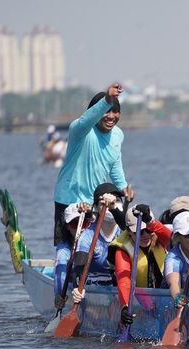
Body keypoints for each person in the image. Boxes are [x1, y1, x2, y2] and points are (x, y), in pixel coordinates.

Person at [52, 82, 135, 246]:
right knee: (68, 249)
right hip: (69, 199)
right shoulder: (80, 130)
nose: (111, 116)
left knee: (93, 247)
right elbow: (87, 119)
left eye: (115, 111)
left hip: (95, 203)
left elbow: (115, 163)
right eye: (106, 111)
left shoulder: (118, 135)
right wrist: (107, 99)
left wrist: (123, 187)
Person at [107, 205, 172, 325]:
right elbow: (124, 280)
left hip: (163, 295)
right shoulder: (122, 249)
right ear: (129, 232)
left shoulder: (158, 236)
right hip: (137, 297)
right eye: (140, 232)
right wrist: (124, 307)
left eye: (148, 230)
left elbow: (169, 237)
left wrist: (150, 223)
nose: (146, 235)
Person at [71, 183, 126, 292]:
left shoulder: (126, 230)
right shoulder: (88, 236)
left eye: (117, 201)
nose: (111, 205)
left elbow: (126, 226)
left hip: (121, 287)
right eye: (104, 203)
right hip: (96, 289)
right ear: (96, 207)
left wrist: (113, 207)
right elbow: (78, 272)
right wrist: (78, 288)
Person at [54, 201, 92, 309]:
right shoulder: (64, 249)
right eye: (75, 224)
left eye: (84, 222)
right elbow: (60, 275)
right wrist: (59, 295)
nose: (81, 228)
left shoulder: (95, 239)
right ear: (67, 227)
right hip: (74, 285)